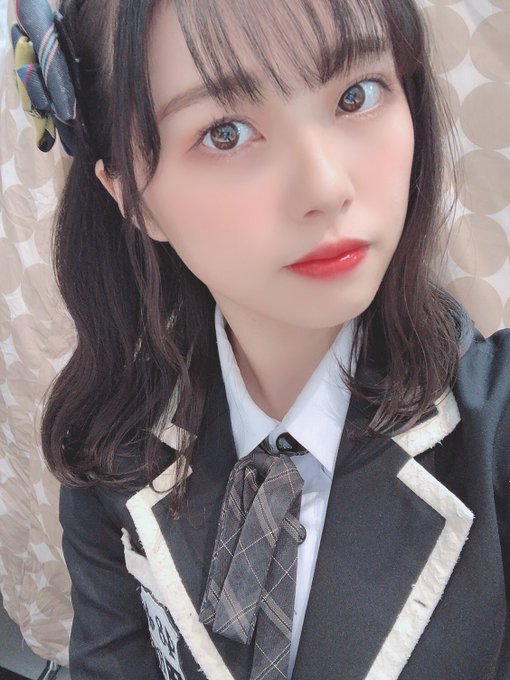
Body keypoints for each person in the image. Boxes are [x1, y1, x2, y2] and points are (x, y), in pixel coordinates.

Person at [11, 0, 509, 678]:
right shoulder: (110, 439)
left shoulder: (493, 436)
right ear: (131, 195)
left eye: (357, 95)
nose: (326, 186)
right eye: (225, 133)